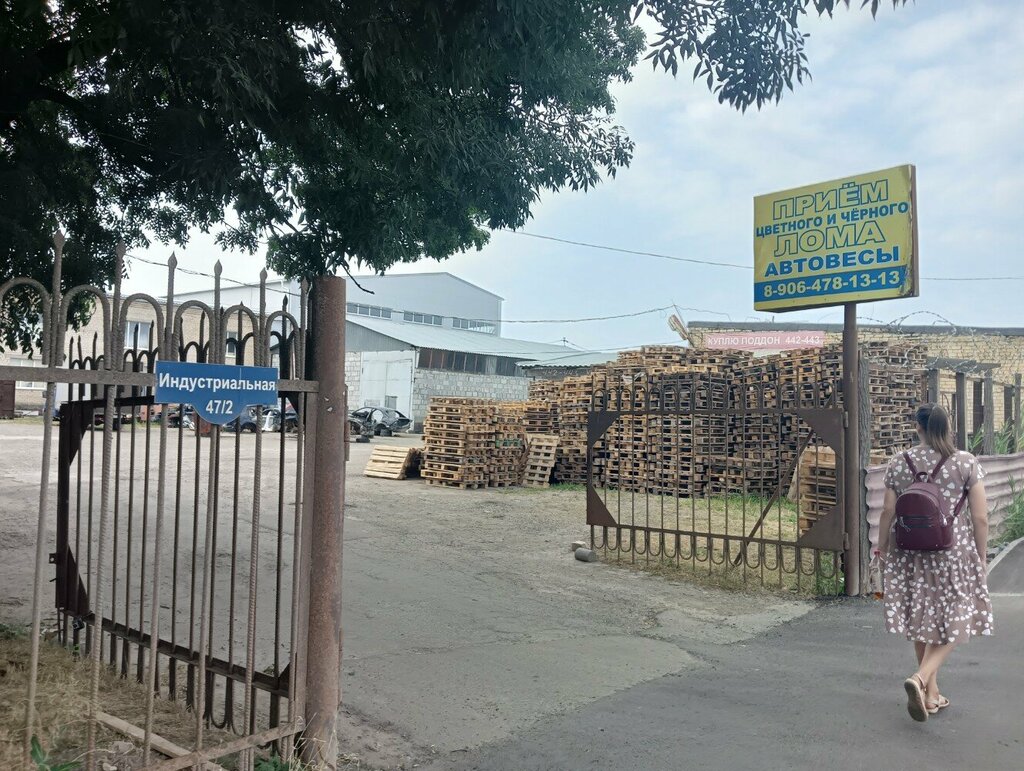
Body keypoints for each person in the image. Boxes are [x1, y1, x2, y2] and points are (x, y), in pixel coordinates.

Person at [877, 403, 993, 722]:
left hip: (909, 552)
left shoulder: (899, 462)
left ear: (918, 428)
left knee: (921, 616)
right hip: (952, 552)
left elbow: (887, 511)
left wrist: (881, 547)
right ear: (948, 427)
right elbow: (980, 518)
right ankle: (920, 678)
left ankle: (930, 695)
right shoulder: (965, 462)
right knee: (960, 615)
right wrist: (981, 557)